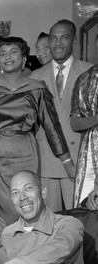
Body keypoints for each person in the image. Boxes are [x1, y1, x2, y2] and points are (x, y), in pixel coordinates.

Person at [0, 36, 75, 225]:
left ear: (24, 58)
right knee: (2, 211)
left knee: (27, 202)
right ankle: (7, 250)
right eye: (2, 53)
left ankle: (30, 248)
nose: (7, 57)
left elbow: (52, 129)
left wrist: (67, 162)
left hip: (26, 154)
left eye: (13, 52)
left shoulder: (37, 89)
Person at [31, 19, 93, 212]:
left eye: (64, 37)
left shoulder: (90, 72)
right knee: (50, 224)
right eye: (53, 38)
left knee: (83, 223)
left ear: (74, 41)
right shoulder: (35, 77)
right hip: (47, 161)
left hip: (80, 162)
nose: (58, 43)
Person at [70, 33, 98, 208]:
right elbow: (74, 123)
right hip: (90, 150)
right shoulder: (84, 79)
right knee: (86, 209)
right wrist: (95, 119)